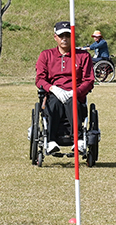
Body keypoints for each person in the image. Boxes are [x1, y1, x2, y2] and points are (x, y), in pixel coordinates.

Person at [35, 21, 94, 154]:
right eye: (61, 36)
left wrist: (76, 92)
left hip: (75, 94)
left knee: (72, 102)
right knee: (54, 102)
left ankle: (78, 139)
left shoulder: (83, 56)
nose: (65, 39)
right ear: (55, 37)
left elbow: (89, 80)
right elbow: (39, 79)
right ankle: (50, 141)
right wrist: (52, 88)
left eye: (68, 35)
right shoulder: (46, 55)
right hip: (54, 92)